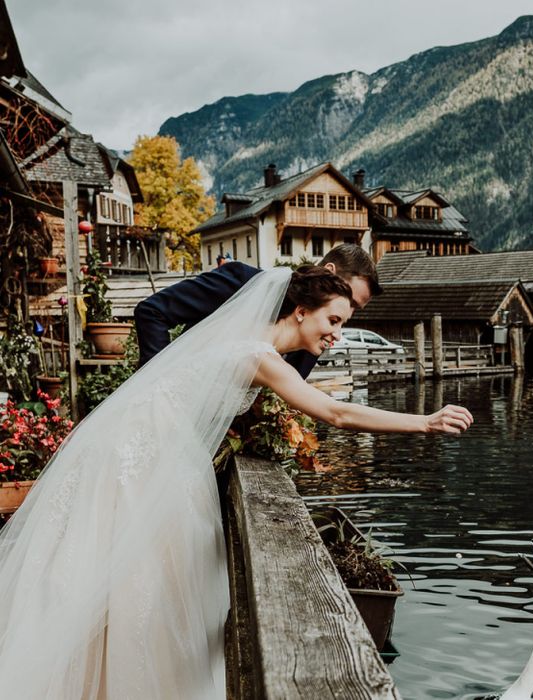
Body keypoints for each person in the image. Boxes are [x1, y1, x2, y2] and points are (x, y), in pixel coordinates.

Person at [0, 266, 472, 699]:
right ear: (301, 311)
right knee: (141, 572)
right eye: (333, 320)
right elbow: (336, 413)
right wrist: (425, 423)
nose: (337, 334)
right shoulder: (259, 356)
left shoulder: (249, 342)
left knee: (119, 568)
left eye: (343, 324)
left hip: (150, 443)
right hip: (149, 451)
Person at [134, 243, 382, 372]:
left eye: (354, 309)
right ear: (330, 272)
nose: (346, 314)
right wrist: (159, 384)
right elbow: (152, 312)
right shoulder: (241, 282)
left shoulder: (314, 336)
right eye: (350, 301)